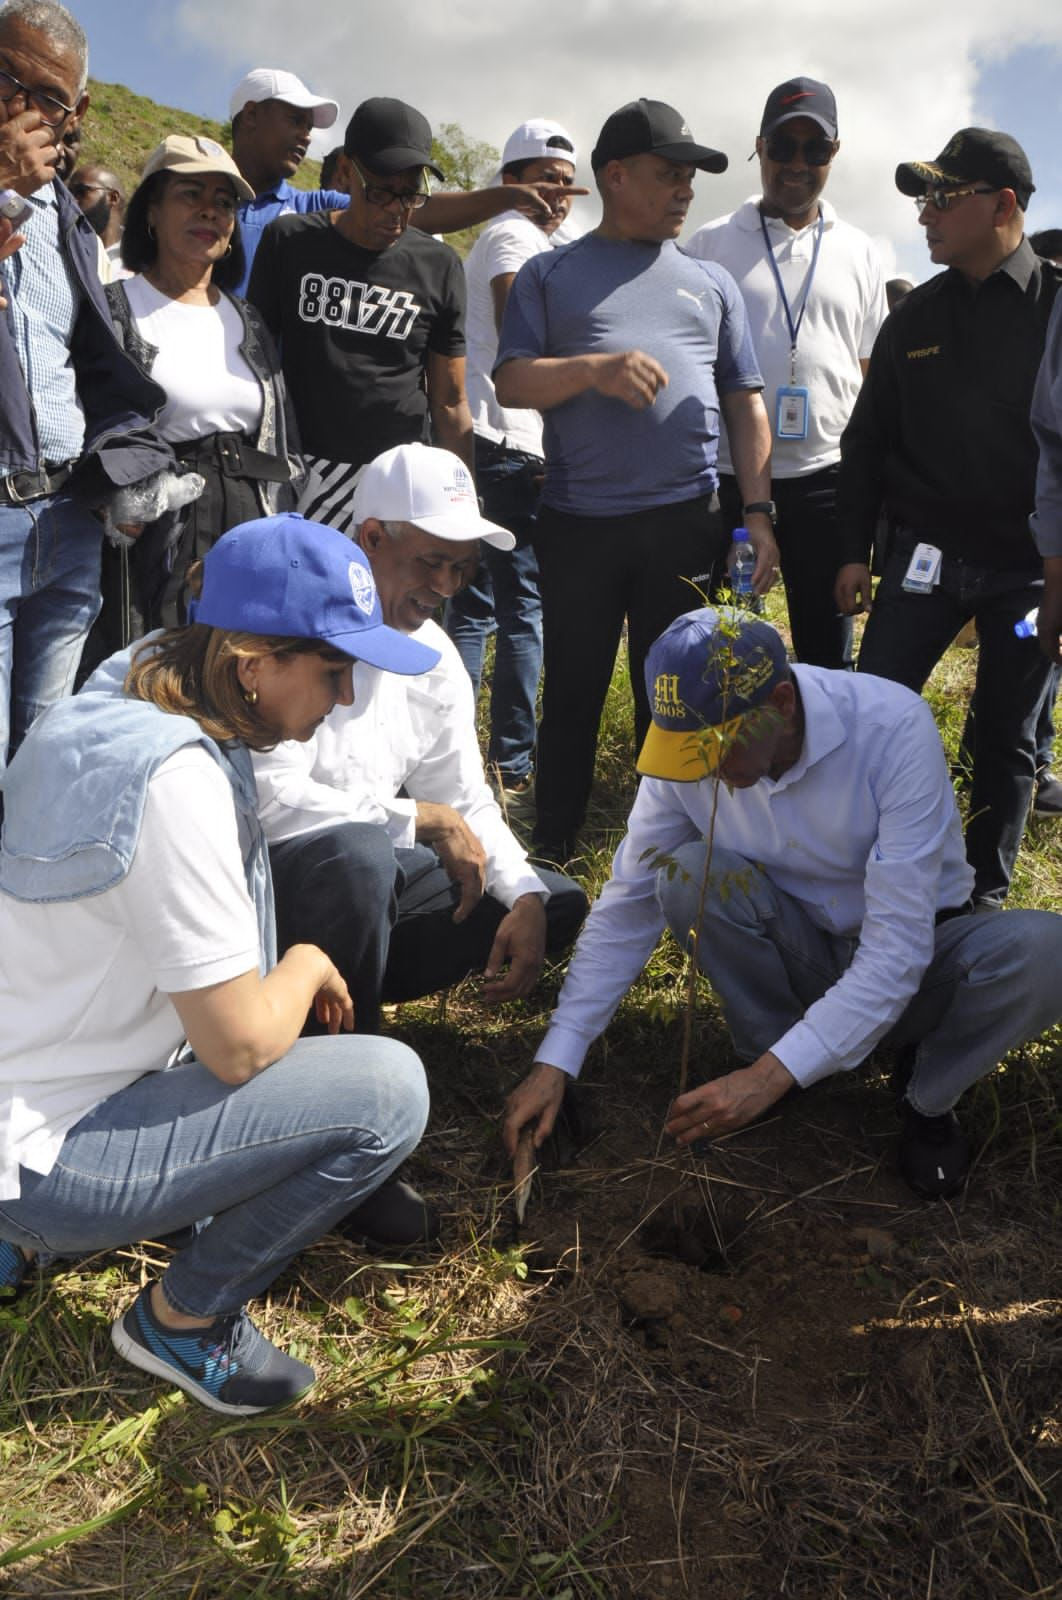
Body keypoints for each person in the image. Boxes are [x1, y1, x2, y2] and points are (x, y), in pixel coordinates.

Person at [0, 512, 437, 1415]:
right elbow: (238, 1048)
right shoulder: (177, 781)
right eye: (331, 669)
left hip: (23, 1088)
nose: (345, 697)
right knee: (388, 1090)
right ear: (250, 663)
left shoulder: (123, 692)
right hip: (42, 1150)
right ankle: (183, 1320)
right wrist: (310, 961)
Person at [503, 608, 1062, 1200]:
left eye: (719, 748)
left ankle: (925, 1094)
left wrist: (761, 1083)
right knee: (689, 874)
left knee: (1045, 950)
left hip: (923, 957)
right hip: (794, 940)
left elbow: (897, 952)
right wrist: (555, 1061)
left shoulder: (891, 727)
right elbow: (629, 901)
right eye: (687, 751)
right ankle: (781, 1056)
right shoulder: (690, 753)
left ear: (782, 703)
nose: (706, 773)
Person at [494, 97, 778, 864]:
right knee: (575, 689)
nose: (685, 190)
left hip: (685, 518)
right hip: (580, 523)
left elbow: (745, 399)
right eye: (668, 175)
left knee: (680, 694)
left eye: (690, 178)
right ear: (615, 176)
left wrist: (758, 511)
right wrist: (593, 370)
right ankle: (553, 847)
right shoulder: (550, 276)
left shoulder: (712, 283)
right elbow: (512, 382)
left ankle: (675, 846)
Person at [253, 443, 589, 1035]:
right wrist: (419, 820)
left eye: (462, 568)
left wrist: (524, 896)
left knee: (553, 902)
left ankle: (356, 983)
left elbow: (463, 797)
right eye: (432, 562)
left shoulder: (434, 656)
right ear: (373, 537)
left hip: (378, 876)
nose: (447, 585)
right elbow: (271, 802)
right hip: (276, 883)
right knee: (359, 856)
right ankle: (338, 1046)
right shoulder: (292, 628)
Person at [835, 129, 1060, 909]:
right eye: (922, 198)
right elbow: (865, 443)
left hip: (1027, 574)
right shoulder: (914, 317)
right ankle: (860, 879)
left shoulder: (1057, 311)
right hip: (923, 562)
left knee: (1007, 738)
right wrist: (854, 552)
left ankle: (983, 905)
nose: (925, 214)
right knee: (872, 718)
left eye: (942, 197)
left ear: (1003, 206)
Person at [0, 0, 173, 774]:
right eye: (6, 81)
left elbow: (81, 362)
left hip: (65, 522)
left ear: (80, 110)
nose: (21, 109)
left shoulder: (67, 218)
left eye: (47, 97)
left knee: (44, 760)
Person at [685, 77, 886, 671]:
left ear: (834, 154)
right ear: (759, 147)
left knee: (827, 654)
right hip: (730, 477)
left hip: (828, 480)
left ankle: (817, 763)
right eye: (783, 147)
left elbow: (871, 375)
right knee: (725, 646)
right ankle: (723, 764)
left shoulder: (860, 250)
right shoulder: (710, 244)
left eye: (815, 150)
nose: (797, 164)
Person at [102, 134, 300, 636]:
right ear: (151, 211)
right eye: (190, 195)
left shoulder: (249, 320)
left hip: (248, 536)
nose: (209, 212)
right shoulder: (112, 308)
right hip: (156, 538)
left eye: (224, 202)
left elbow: (283, 443)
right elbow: (94, 421)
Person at [249, 97, 473, 531]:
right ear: (348, 171)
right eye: (381, 192)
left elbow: (450, 399)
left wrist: (462, 506)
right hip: (299, 472)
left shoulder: (440, 265)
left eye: (411, 195)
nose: (396, 209)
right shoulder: (290, 243)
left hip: (396, 482)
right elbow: (255, 366)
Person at [445, 118, 578, 801]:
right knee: (510, 609)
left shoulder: (539, 240)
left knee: (479, 606)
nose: (557, 194)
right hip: (509, 440)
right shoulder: (510, 234)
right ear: (510, 181)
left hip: (502, 440)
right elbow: (518, 326)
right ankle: (510, 766)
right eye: (544, 179)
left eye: (566, 184)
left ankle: (463, 762)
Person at [228, 66, 588, 296]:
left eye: (309, 126)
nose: (306, 136)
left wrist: (508, 196)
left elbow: (419, 213)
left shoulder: (309, 209)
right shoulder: (185, 193)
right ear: (251, 115)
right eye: (295, 120)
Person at [68, 159, 125, 269]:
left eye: (81, 191)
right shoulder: (65, 245)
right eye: (69, 193)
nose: (72, 200)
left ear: (113, 197)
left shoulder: (140, 258)